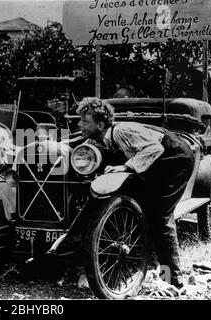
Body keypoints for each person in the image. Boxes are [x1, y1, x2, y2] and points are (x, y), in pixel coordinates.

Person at [76, 97, 194, 289]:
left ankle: (172, 278)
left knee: (160, 217)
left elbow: (155, 148)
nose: (79, 124)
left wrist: (124, 166)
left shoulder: (122, 130)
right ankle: (144, 264)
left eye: (84, 121)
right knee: (141, 206)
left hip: (176, 159)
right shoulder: (98, 137)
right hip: (156, 161)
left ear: (100, 124)